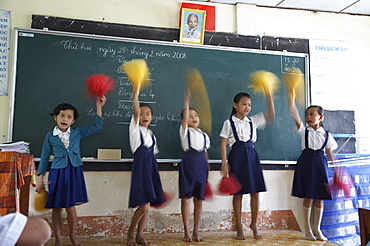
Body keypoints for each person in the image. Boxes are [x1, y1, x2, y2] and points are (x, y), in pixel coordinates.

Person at [35, 97, 106, 246]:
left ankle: (73, 236)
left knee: (70, 206)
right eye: (61, 115)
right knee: (56, 207)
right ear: (55, 117)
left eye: (69, 117)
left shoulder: (77, 133)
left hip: (74, 171)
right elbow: (44, 157)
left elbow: (96, 127)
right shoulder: (50, 136)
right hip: (58, 172)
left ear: (73, 121)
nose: (65, 119)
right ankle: (58, 239)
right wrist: (40, 177)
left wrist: (99, 107)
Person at [219, 91, 275, 240]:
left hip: (252, 157)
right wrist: (224, 163)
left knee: (255, 192)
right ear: (235, 105)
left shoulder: (252, 121)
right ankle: (239, 227)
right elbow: (223, 144)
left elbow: (270, 114)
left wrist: (269, 96)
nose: (247, 107)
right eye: (244, 104)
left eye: (249, 105)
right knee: (238, 194)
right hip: (237, 157)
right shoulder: (229, 123)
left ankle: (254, 224)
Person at [288, 92, 337, 241]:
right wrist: (292, 101)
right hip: (306, 164)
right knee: (308, 196)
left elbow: (329, 152)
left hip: (320, 164)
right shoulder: (304, 131)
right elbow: (296, 117)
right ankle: (307, 229)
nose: (308, 117)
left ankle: (317, 229)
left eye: (312, 114)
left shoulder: (327, 135)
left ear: (321, 117)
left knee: (319, 198)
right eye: (307, 114)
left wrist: (336, 168)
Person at [127, 84, 165, 246]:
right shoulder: (135, 130)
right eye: (141, 113)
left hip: (150, 170)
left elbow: (153, 157)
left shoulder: (151, 135)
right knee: (143, 205)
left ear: (152, 117)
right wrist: (135, 95)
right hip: (141, 170)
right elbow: (136, 112)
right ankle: (130, 233)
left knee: (147, 206)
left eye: (148, 114)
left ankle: (140, 235)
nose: (144, 115)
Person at [178, 92, 210, 242]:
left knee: (199, 201)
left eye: (195, 115)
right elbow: (185, 121)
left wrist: (207, 173)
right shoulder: (185, 132)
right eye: (189, 116)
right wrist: (186, 102)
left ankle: (196, 231)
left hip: (201, 167)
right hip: (188, 166)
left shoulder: (204, 136)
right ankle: (186, 231)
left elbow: (206, 155)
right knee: (186, 199)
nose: (194, 117)